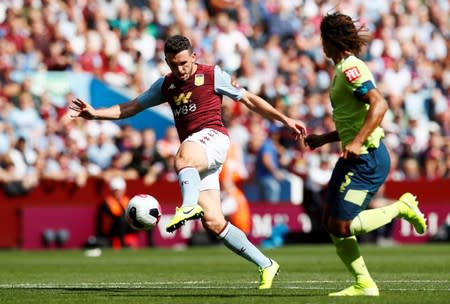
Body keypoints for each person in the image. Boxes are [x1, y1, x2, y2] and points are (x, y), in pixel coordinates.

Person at [69, 35, 307, 289]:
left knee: (182, 156)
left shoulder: (213, 75)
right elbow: (130, 107)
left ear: (193, 57)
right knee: (214, 222)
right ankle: (267, 264)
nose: (179, 69)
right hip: (201, 157)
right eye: (173, 64)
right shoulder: (166, 86)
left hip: (214, 138)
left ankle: (188, 206)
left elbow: (249, 100)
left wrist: (284, 119)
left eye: (183, 63)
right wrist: (95, 114)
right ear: (166, 62)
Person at [304, 13, 427, 297]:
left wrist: (358, 142)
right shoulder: (340, 70)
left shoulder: (351, 69)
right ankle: (364, 283)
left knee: (343, 224)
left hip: (368, 159)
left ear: (330, 40)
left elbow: (379, 104)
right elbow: (353, 120)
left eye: (323, 38)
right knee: (330, 223)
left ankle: (401, 208)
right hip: (352, 157)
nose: (321, 45)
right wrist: (325, 138)